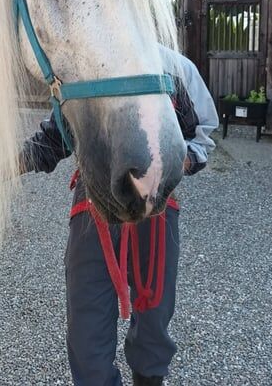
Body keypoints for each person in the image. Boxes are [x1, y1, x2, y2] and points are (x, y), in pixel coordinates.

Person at [19, 47, 219, 385]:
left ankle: (149, 376)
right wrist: (4, 166)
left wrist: (173, 165)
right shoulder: (85, 66)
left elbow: (200, 132)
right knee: (86, 322)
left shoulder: (173, 68)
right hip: (93, 206)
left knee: (155, 313)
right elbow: (56, 138)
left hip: (156, 204)